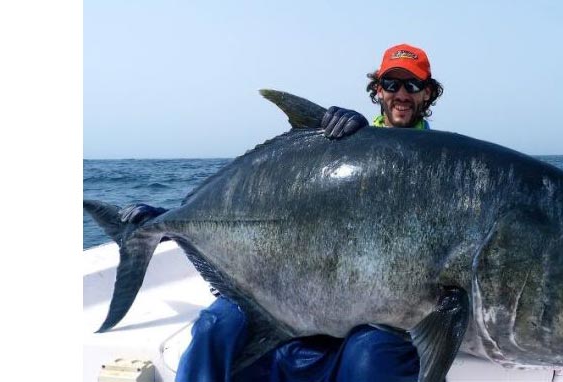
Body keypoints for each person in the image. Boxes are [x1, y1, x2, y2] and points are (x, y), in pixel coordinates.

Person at [176, 43, 444, 382]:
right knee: (214, 326)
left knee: (369, 357)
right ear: (377, 90)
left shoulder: (445, 170)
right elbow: (279, 206)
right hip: (300, 289)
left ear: (428, 93)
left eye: (413, 85)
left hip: (379, 312)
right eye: (391, 84)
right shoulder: (340, 141)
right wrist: (170, 217)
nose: (401, 94)